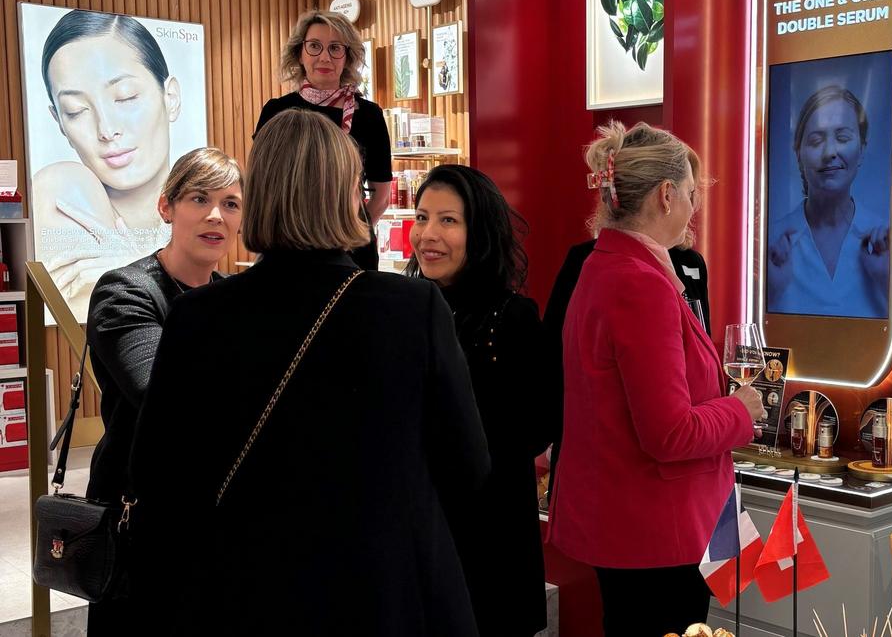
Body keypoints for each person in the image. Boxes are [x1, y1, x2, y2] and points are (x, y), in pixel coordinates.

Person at [127, 109, 487, 636]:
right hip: (379, 590)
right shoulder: (412, 308)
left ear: (260, 196)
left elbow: (156, 475)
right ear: (347, 195)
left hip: (240, 591)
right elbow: (467, 464)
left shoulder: (198, 316)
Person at [546, 121, 764, 635]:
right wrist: (741, 411)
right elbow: (669, 432)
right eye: (691, 193)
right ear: (666, 195)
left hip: (636, 525)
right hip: (657, 533)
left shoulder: (607, 266)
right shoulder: (638, 284)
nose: (694, 207)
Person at [83, 147, 242, 635]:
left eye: (231, 204)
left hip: (211, 520)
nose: (216, 215)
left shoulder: (232, 299)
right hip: (140, 525)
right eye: (199, 199)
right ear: (166, 207)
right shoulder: (125, 292)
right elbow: (164, 398)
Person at [406, 164, 550, 636]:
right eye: (422, 217)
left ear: (480, 232)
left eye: (448, 220)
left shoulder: (513, 317)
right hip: (420, 532)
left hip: (492, 538)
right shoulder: (402, 310)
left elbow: (537, 426)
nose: (428, 234)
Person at [34, 9, 186, 318]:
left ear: (170, 97)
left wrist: (130, 265)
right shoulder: (59, 188)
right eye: (76, 110)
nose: (106, 129)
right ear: (59, 122)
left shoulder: (203, 202)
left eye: (126, 97)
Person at [542, 228, 712, 499]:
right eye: (689, 202)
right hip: (603, 457)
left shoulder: (691, 262)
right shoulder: (589, 259)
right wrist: (737, 412)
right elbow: (554, 354)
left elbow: (701, 355)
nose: (694, 209)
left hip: (677, 462)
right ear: (664, 203)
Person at [254, 9, 391, 271]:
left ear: (347, 57)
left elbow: (381, 196)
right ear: (300, 53)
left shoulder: (369, 116)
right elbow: (262, 185)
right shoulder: (276, 111)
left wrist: (348, 236)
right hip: (287, 246)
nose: (325, 57)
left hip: (352, 251)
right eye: (315, 46)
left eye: (335, 48)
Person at [766, 85, 889, 318]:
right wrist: (771, 292)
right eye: (815, 141)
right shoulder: (770, 241)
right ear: (798, 153)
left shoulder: (889, 245)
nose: (830, 152)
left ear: (862, 150)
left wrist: (886, 282)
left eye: (842, 138)